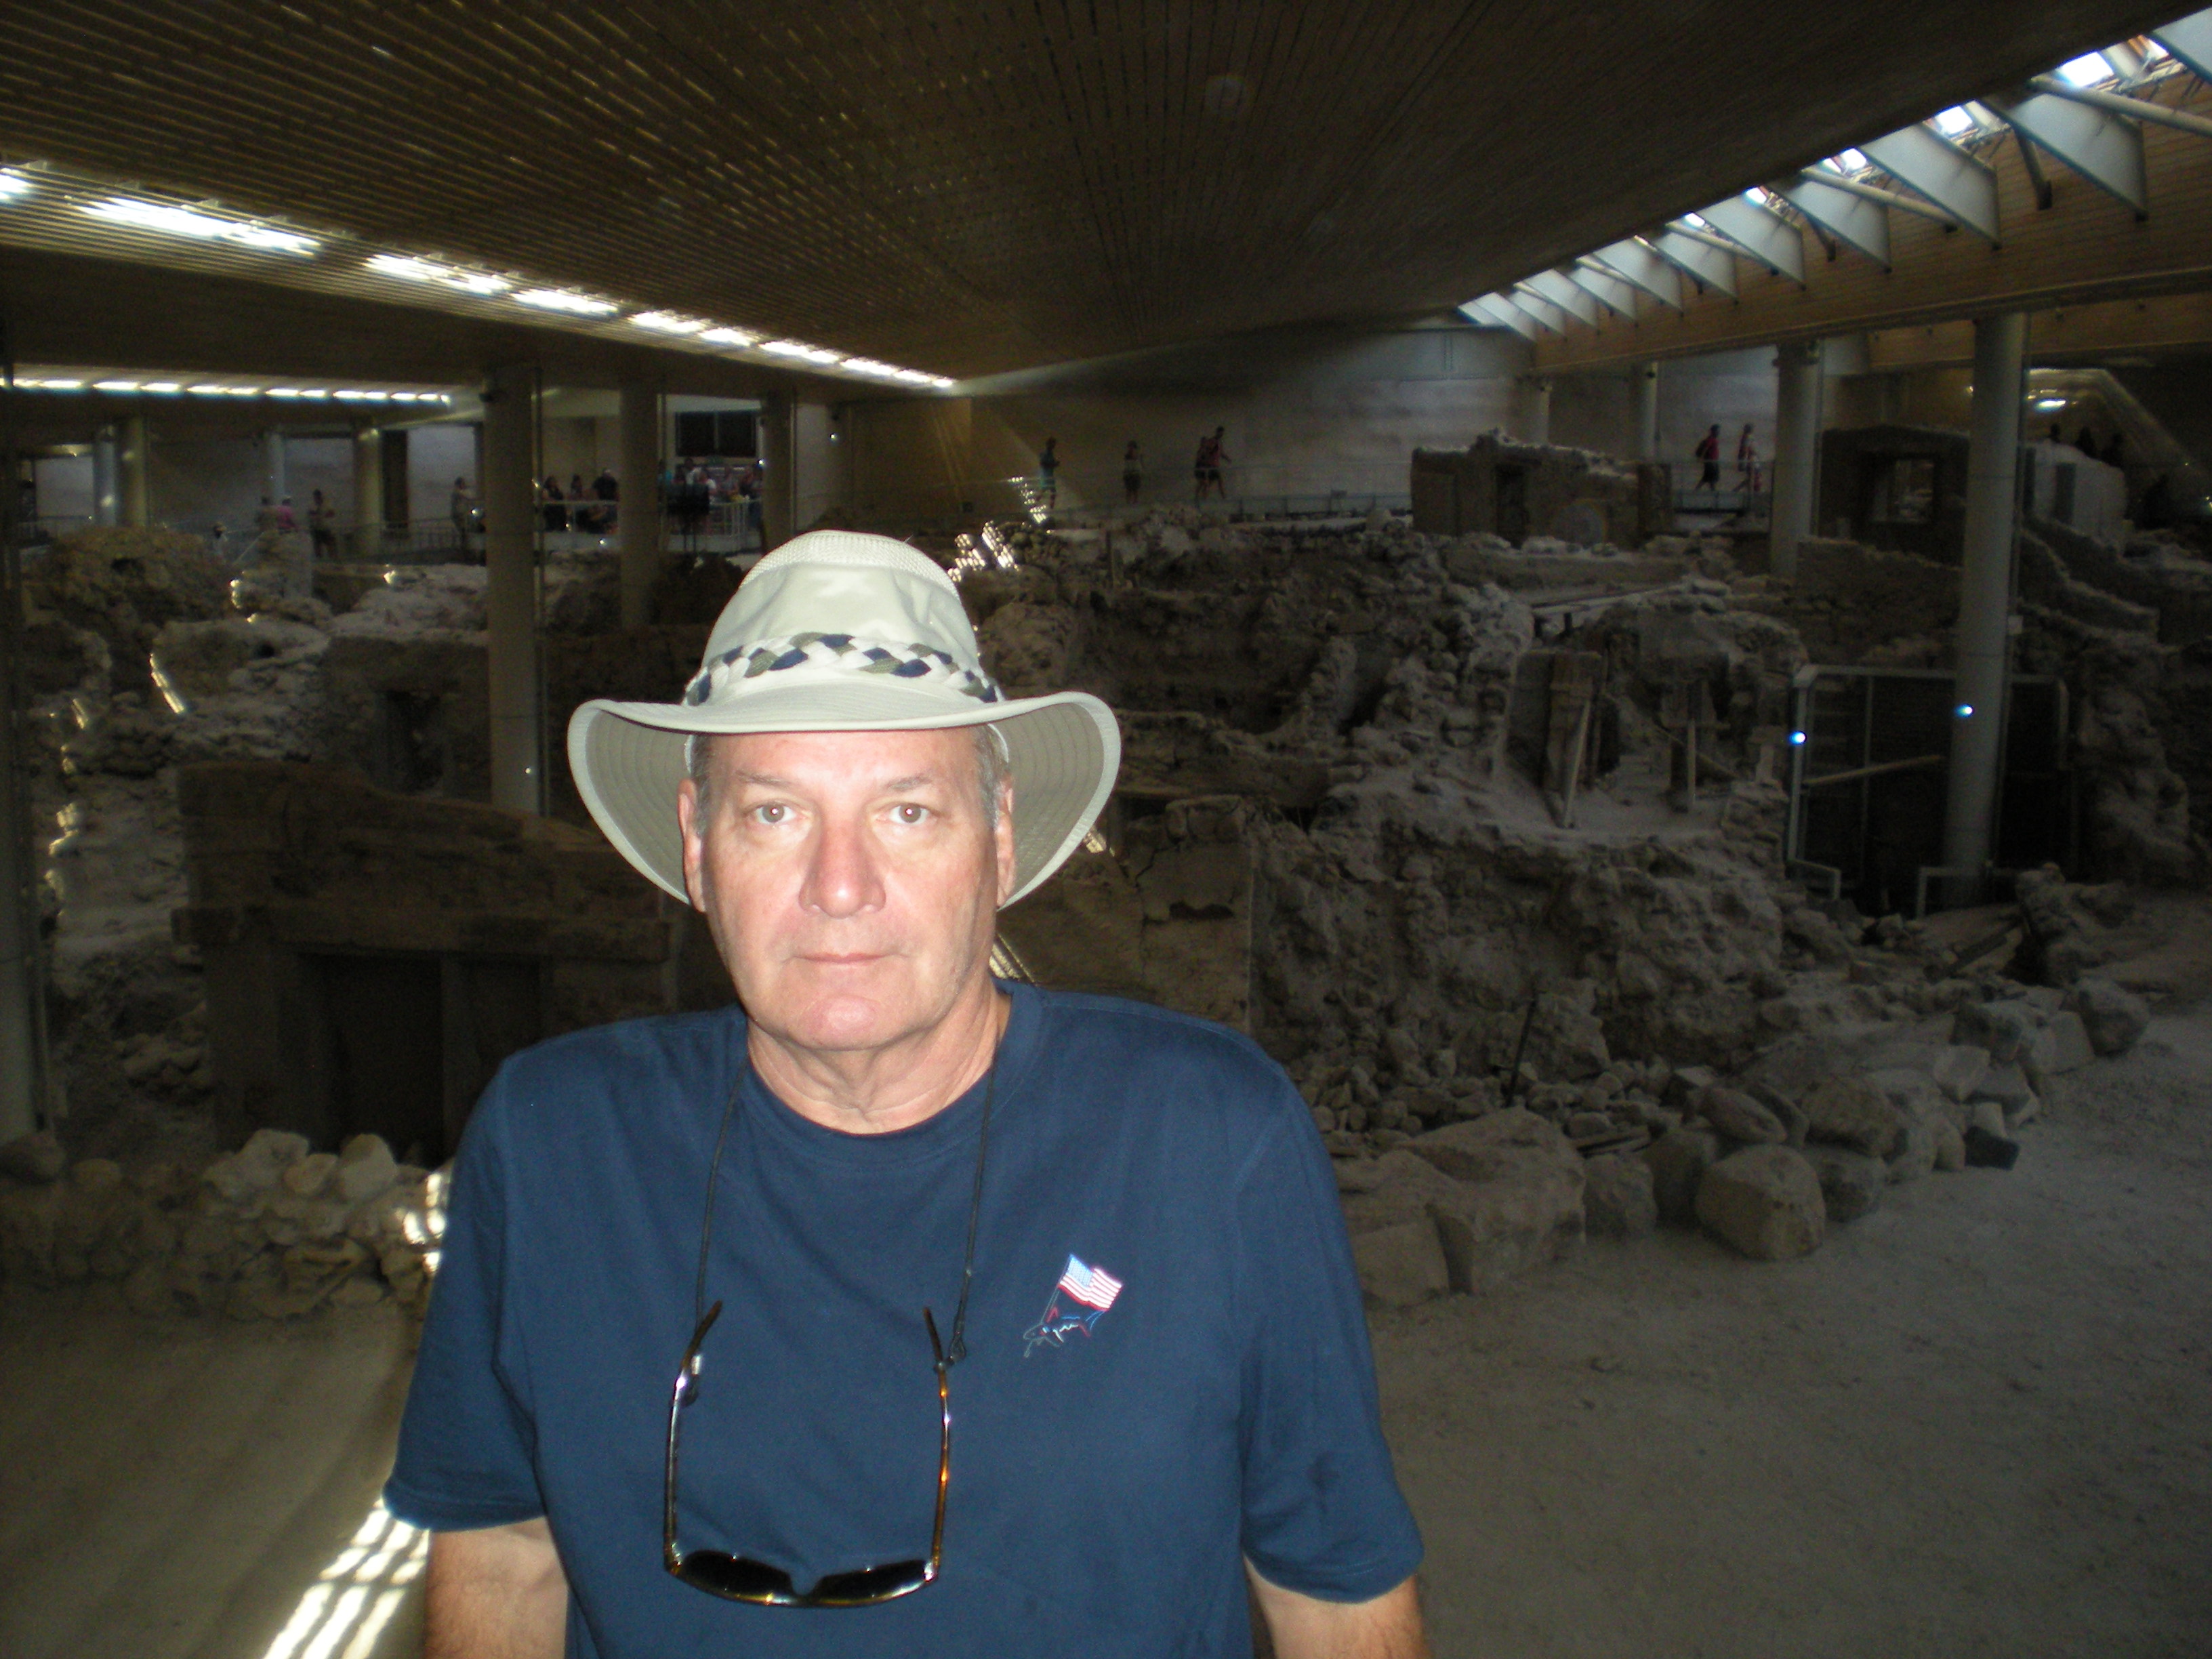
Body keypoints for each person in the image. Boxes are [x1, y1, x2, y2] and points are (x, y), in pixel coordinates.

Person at [386, 531, 1428, 1659]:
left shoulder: (1212, 1140)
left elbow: (1335, 1601)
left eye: (908, 811)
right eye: (773, 812)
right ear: (695, 845)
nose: (839, 887)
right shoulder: (550, 1142)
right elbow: (505, 1544)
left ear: (998, 838)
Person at [1195, 426, 1229, 501]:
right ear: (1218, 432)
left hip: (1214, 465)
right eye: (1220, 433)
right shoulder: (1212, 441)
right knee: (1214, 481)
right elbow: (1207, 452)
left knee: (1207, 483)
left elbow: (1220, 453)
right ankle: (1223, 498)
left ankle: (1203, 497)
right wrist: (1207, 459)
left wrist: (1227, 458)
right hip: (1211, 466)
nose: (1221, 435)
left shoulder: (1219, 442)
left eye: (1222, 433)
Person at [307, 488, 337, 560]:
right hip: (316, 528)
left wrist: (324, 516)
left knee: (329, 544)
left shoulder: (326, 505)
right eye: (315, 497)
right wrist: (314, 516)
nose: (316, 499)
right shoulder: (313, 505)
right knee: (317, 545)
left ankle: (332, 558)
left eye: (317, 497)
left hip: (326, 527)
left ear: (320, 496)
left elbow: (332, 513)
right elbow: (310, 514)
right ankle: (319, 559)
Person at [1694, 424, 1721, 494]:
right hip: (1711, 462)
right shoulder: (1711, 439)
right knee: (1711, 478)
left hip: (1712, 462)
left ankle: (1696, 491)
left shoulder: (1713, 439)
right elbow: (1706, 448)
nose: (1719, 433)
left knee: (1707, 478)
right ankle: (1714, 494)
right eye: (1717, 431)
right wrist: (1701, 458)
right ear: (1714, 431)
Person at [1734, 424, 1760, 495]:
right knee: (1752, 478)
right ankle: (1749, 494)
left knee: (1751, 478)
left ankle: (1737, 490)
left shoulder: (1746, 437)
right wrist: (1745, 461)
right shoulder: (1748, 437)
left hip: (1751, 460)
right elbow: (1746, 449)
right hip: (1751, 460)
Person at [450, 477, 474, 551]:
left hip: (464, 514)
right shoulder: (456, 493)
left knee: (465, 532)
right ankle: (465, 547)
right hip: (459, 515)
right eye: (462, 484)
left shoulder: (462, 493)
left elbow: (469, 500)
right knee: (463, 531)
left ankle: (465, 547)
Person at [1037, 436, 1059, 510]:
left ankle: (1050, 508)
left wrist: (1054, 464)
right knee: (1050, 491)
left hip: (1048, 474)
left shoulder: (1049, 453)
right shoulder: (1046, 453)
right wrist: (1053, 465)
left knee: (1050, 491)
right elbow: (1043, 463)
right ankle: (1050, 508)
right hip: (1046, 475)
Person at [1122, 439, 1143, 504]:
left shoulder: (1138, 456)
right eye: (1130, 447)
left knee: (1135, 489)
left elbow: (1139, 465)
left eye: (1132, 447)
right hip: (1128, 474)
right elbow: (1126, 465)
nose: (1131, 449)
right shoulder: (1127, 456)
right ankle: (1128, 501)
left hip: (1135, 474)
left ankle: (1135, 501)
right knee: (1129, 489)